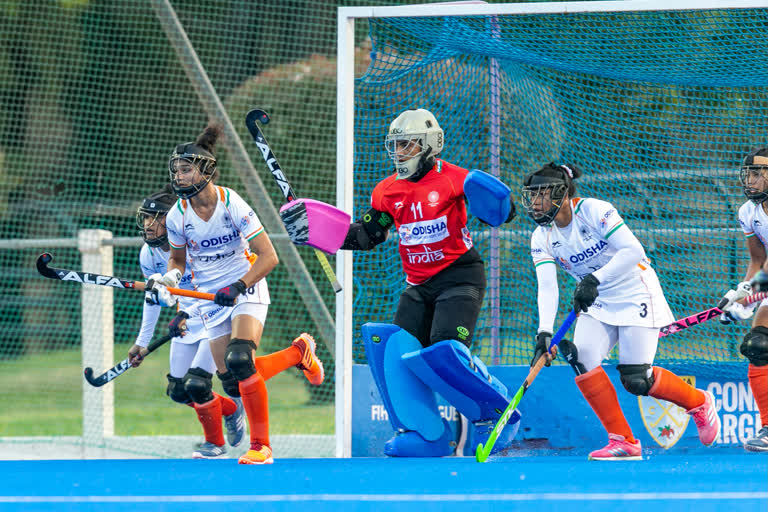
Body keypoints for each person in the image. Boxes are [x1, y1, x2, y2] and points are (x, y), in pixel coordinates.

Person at [280, 108, 518, 457]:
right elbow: (367, 236)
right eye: (396, 146)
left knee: (444, 350)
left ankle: (498, 416)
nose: (400, 152)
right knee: (395, 351)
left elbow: (498, 212)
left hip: (459, 276)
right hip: (419, 286)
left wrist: (501, 206)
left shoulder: (455, 179)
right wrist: (317, 232)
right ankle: (426, 434)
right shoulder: (387, 191)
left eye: (408, 145)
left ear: (430, 145)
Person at [145, 123, 325, 465]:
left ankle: (261, 447)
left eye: (186, 170)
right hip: (209, 298)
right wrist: (169, 279)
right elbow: (178, 259)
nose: (179, 177)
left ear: (206, 170)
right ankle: (297, 353)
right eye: (176, 171)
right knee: (231, 381)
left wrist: (239, 286)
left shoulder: (232, 204)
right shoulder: (176, 217)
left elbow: (269, 255)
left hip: (247, 282)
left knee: (240, 359)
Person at [523, 162, 721, 461]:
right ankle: (624, 441)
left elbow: (633, 251)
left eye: (542, 195)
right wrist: (544, 333)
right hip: (597, 302)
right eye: (532, 196)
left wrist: (594, 279)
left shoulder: (593, 211)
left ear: (562, 194)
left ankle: (700, 402)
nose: (535, 204)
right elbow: (548, 287)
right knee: (581, 358)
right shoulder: (542, 237)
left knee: (636, 379)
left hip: (635, 291)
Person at [128, 185, 246, 458]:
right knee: (179, 391)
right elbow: (153, 299)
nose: (147, 224)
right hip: (189, 319)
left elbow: (209, 287)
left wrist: (185, 313)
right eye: (145, 218)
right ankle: (230, 408)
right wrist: (141, 343)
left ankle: (214, 445)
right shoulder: (148, 254)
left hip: (216, 314)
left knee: (198, 384)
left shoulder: (192, 246)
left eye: (153, 219)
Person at [718, 147, 768, 452]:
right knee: (758, 345)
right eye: (748, 173)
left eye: (758, 174)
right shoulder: (748, 212)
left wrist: (746, 298)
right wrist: (740, 293)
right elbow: (758, 259)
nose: (750, 180)